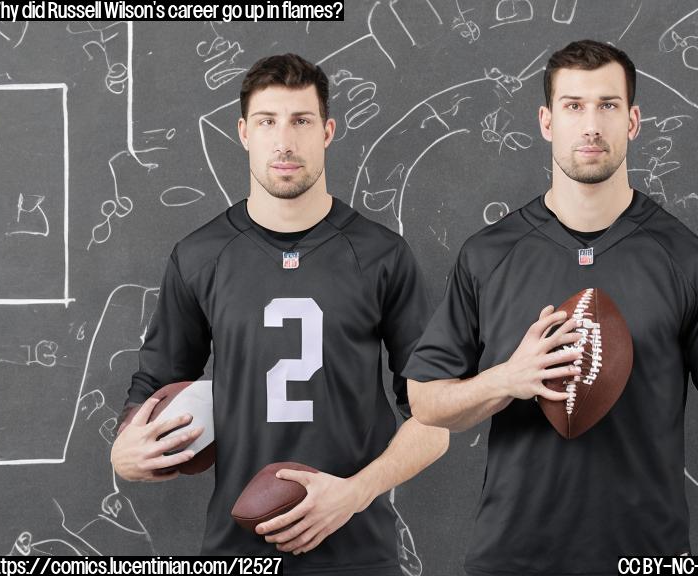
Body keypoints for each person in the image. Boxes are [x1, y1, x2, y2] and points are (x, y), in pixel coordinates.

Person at [404, 40, 698, 574]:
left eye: (608, 105)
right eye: (574, 106)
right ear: (547, 121)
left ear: (634, 120)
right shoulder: (490, 254)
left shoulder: (687, 260)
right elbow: (427, 401)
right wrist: (507, 379)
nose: (591, 125)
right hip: (513, 560)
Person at [110, 53, 448, 574]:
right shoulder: (200, 255)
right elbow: (153, 389)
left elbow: (435, 418)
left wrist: (354, 494)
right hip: (235, 553)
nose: (284, 141)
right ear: (244, 132)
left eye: (301, 121)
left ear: (329, 130)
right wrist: (125, 455)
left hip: (358, 553)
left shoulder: (381, 254)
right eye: (268, 122)